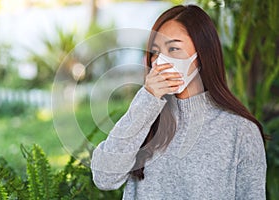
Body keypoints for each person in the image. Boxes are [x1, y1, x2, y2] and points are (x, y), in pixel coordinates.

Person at [91, 4, 266, 200]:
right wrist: (147, 100)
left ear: (201, 55)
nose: (161, 61)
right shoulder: (145, 118)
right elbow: (104, 177)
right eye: (156, 52)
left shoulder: (240, 130)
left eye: (173, 48)